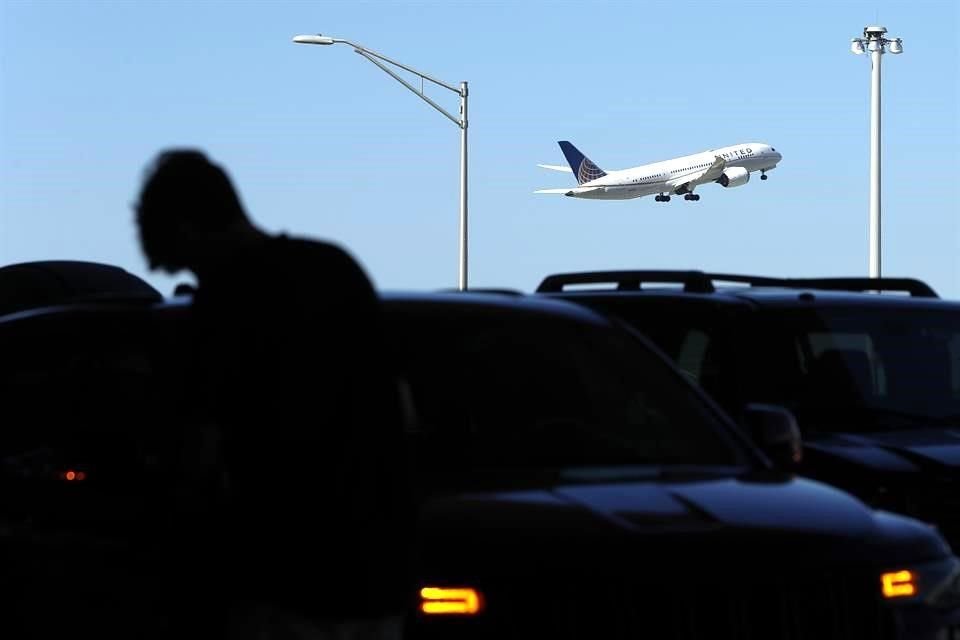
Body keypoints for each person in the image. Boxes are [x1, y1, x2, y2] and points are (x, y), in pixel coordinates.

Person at [134, 149, 411, 640]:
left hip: (279, 587)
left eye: (186, 262)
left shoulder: (223, 309)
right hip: (370, 578)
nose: (192, 276)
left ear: (189, 228)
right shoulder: (336, 269)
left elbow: (201, 455)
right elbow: (398, 410)